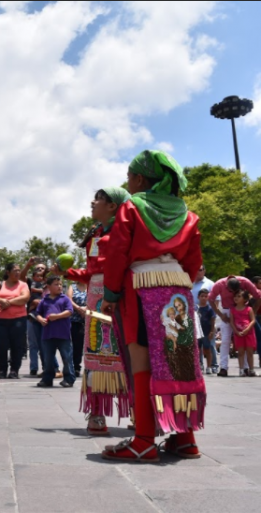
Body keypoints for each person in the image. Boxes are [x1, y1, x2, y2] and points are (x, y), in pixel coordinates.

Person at [101, 150, 205, 463]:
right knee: (179, 360)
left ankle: (144, 440)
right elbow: (193, 262)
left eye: (129, 177)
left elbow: (118, 252)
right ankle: (185, 438)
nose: (128, 183)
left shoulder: (132, 207)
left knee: (142, 360)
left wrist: (111, 293)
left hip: (141, 285)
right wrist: (177, 281)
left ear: (139, 179)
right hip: (178, 289)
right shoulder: (187, 215)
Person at [54, 187, 131, 435]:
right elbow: (92, 273)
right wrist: (67, 273)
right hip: (96, 296)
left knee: (129, 353)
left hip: (122, 295)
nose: (92, 202)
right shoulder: (95, 233)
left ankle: (138, 410)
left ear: (112, 206)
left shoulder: (129, 230)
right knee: (97, 352)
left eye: (98, 199)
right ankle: (97, 413)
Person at [208, 276, 260, 377]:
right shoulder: (219, 284)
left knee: (244, 340)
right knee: (225, 340)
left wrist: (253, 311)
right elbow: (210, 299)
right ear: (227, 286)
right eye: (231, 291)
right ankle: (223, 367)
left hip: (244, 310)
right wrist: (220, 314)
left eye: (236, 292)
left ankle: (245, 368)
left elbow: (258, 296)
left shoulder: (245, 282)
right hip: (227, 310)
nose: (233, 295)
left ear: (240, 285)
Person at [0, 263, 30, 379]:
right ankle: (2, 370)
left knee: (17, 345)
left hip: (18, 320)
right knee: (1, 346)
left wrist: (7, 302)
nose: (18, 273)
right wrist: (2, 301)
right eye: (15, 270)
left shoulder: (23, 285)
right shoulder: (0, 284)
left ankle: (14, 370)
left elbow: (25, 298)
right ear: (8, 272)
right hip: (0, 320)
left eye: (19, 270)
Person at [34, 277, 75, 388]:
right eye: (56, 284)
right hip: (48, 334)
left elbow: (69, 311)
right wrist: (40, 319)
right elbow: (37, 313)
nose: (59, 286)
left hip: (63, 334)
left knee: (67, 358)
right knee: (48, 359)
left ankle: (69, 379)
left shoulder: (65, 299)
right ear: (48, 286)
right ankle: (47, 379)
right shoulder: (44, 300)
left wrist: (57, 316)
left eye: (60, 284)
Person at [230, 290, 257, 377]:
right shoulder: (232, 310)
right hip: (238, 334)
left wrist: (247, 329)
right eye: (235, 296)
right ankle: (241, 370)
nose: (236, 298)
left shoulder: (249, 309)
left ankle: (251, 369)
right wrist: (236, 331)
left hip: (249, 333)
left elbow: (253, 320)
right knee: (240, 352)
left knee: (250, 352)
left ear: (245, 299)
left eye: (239, 296)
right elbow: (231, 322)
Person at [67, 280, 87, 376]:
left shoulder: (91, 287)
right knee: (76, 345)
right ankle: (75, 367)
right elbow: (69, 300)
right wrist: (79, 309)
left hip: (89, 319)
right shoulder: (73, 287)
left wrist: (86, 308)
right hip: (75, 320)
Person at [197, 289, 218, 374]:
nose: (203, 298)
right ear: (198, 297)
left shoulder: (210, 309)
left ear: (208, 297)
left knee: (207, 349)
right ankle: (199, 365)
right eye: (202, 296)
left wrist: (212, 331)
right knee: (198, 350)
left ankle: (209, 367)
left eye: (206, 296)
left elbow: (213, 320)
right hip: (197, 332)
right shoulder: (195, 308)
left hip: (206, 332)